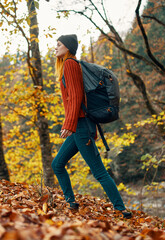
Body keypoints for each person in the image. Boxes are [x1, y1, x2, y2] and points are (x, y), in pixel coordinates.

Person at [51, 34, 132, 219]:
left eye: (59, 44)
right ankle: (71, 203)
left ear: (68, 47)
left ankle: (121, 210)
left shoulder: (70, 64)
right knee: (57, 164)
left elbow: (76, 97)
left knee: (99, 172)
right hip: (79, 126)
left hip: (80, 126)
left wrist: (69, 124)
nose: (55, 47)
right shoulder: (67, 65)